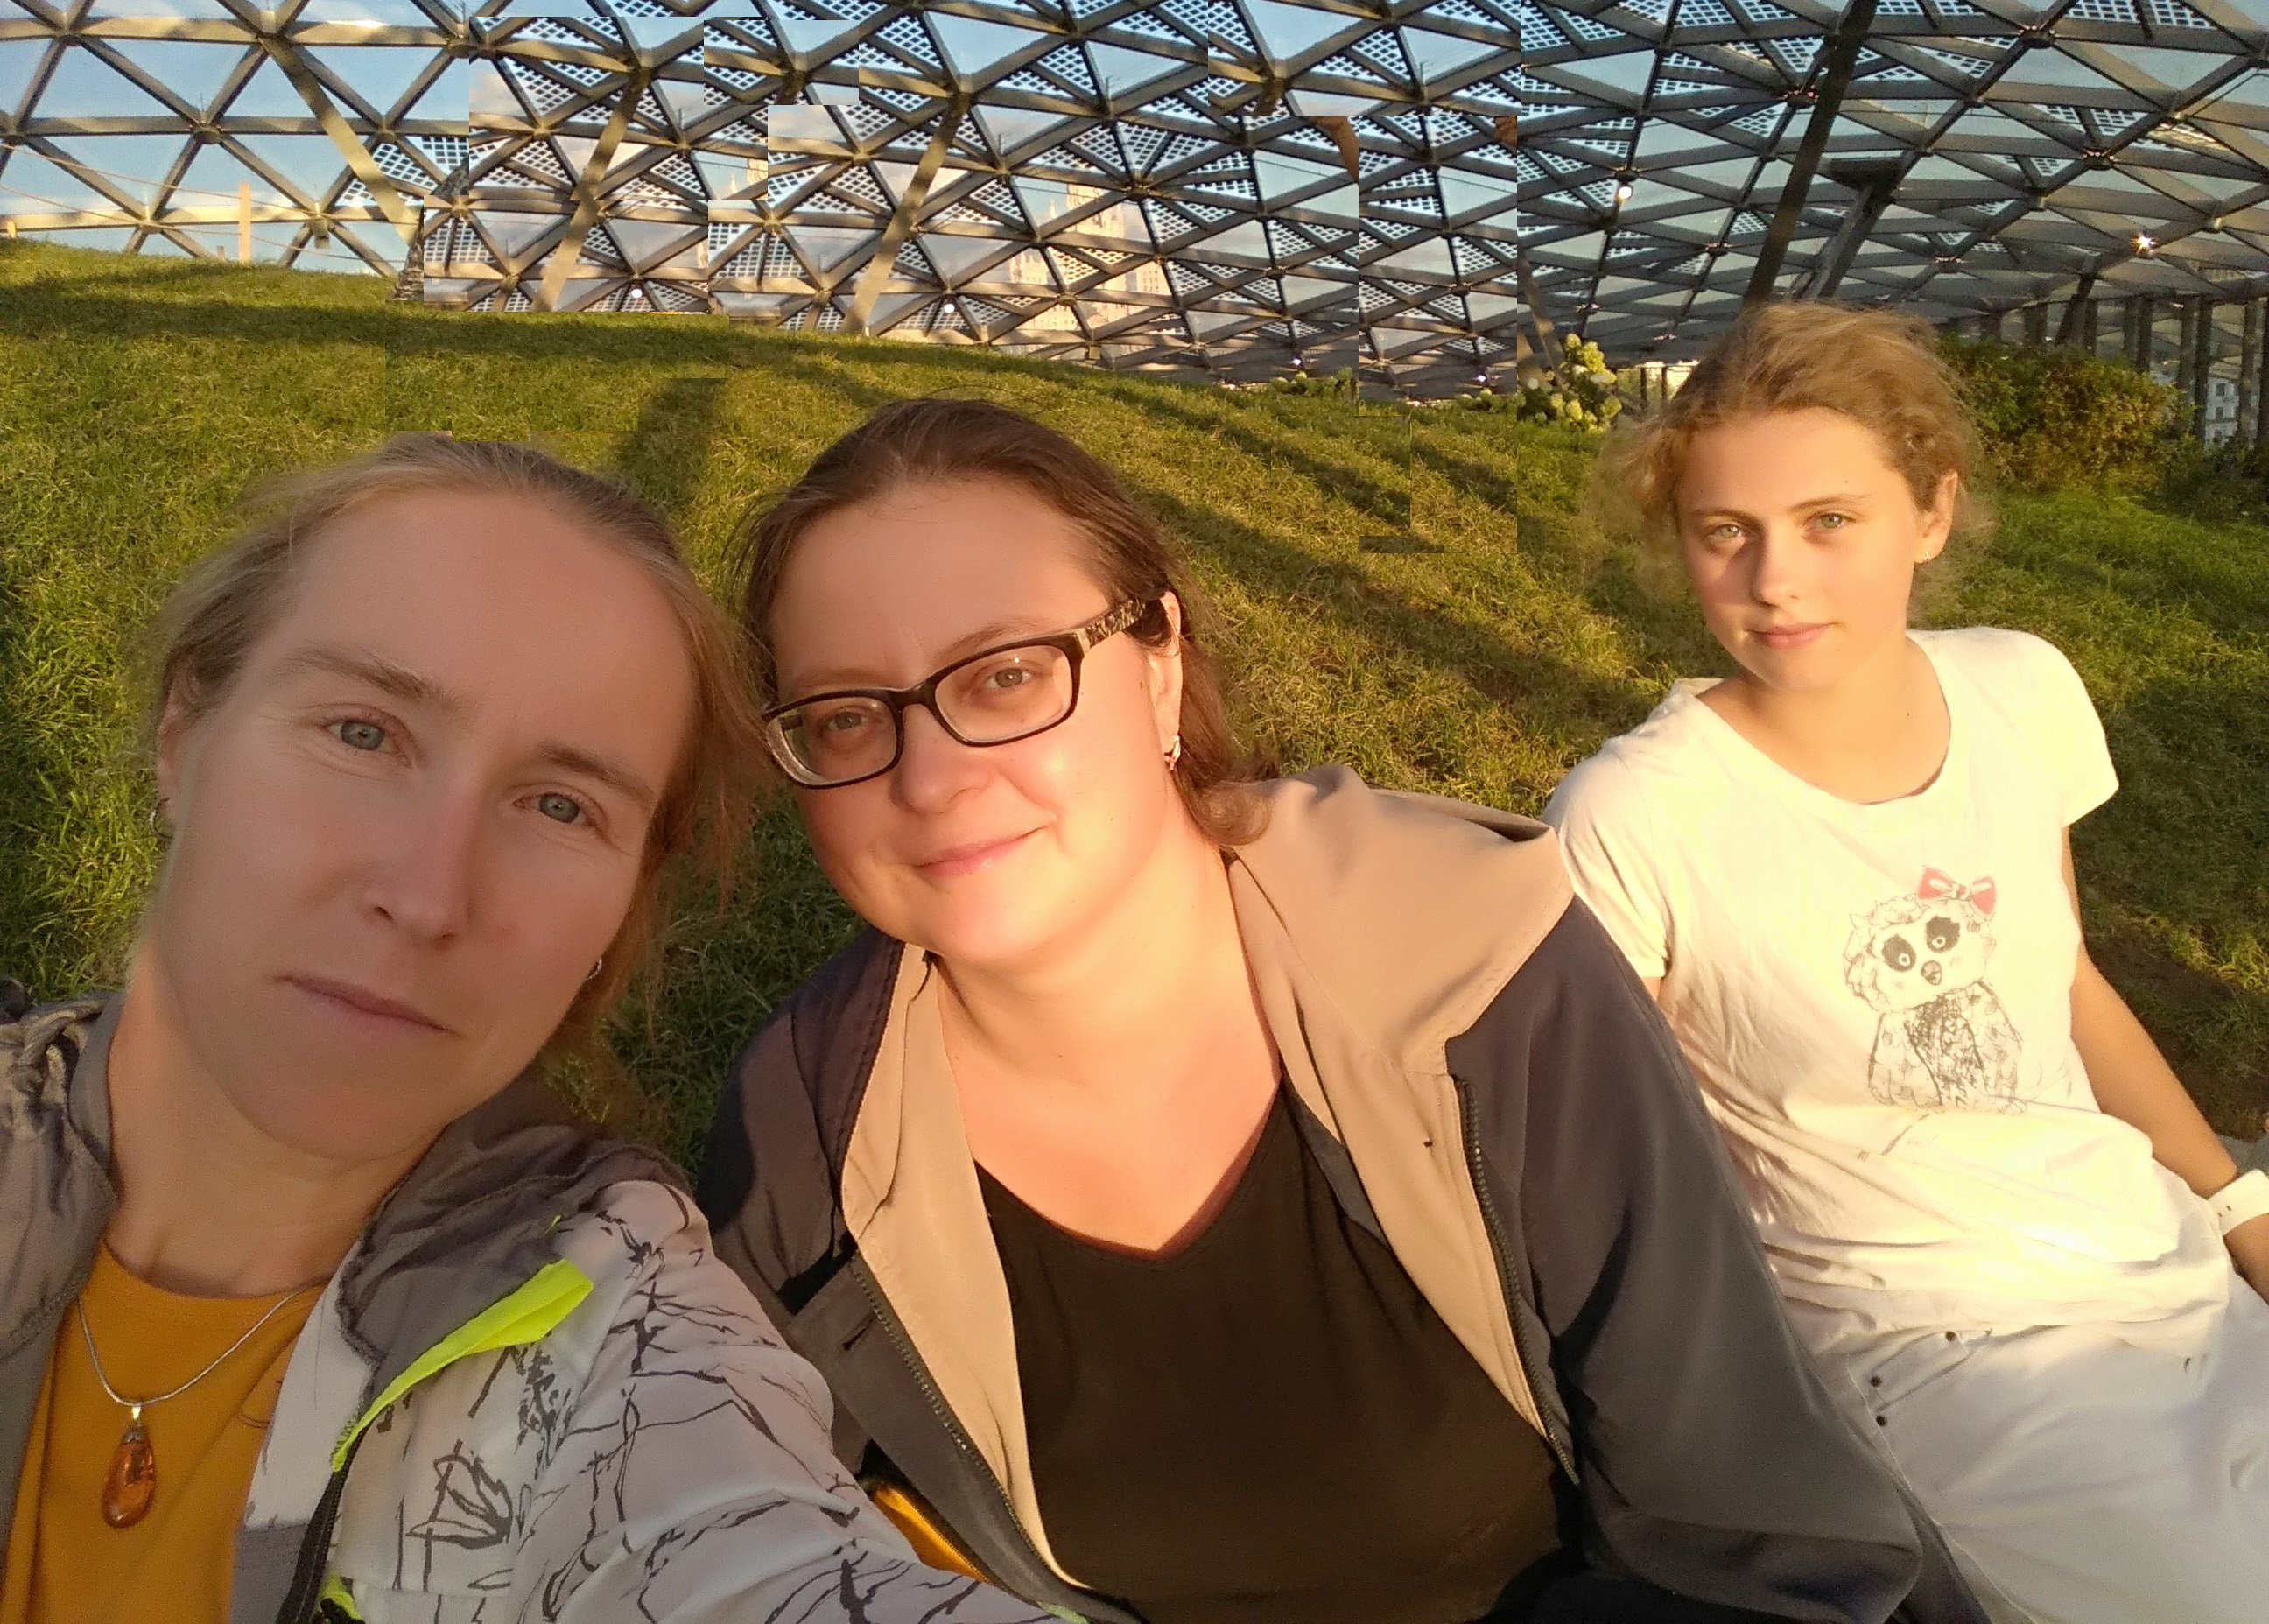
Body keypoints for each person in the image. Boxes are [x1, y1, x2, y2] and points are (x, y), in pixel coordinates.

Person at [698, 397, 1984, 1624]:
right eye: (847, 717)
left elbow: (1755, 1546)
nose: (929, 777)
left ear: (1159, 667)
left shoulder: (1482, 971)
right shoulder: (805, 1133)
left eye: (1006, 678)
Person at [0, 435, 1054, 1624]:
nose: (429, 896)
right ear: (184, 732)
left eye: (560, 805)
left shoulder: (630, 1349)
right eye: (362, 733)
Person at [1543, 304, 2269, 1624]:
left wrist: (2240, 1215)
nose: (1776, 580)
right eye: (1727, 531)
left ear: (1930, 511)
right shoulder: (1636, 816)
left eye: (1829, 520)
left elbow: (2066, 983)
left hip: (2151, 1262)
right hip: (1929, 1353)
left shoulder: (2018, 690)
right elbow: (1628, 1170)